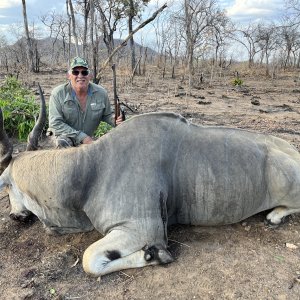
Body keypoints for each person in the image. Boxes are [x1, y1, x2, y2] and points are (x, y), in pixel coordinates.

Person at [48, 57, 123, 148]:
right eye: (76, 72)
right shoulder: (58, 93)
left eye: (84, 72)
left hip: (88, 141)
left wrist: (115, 119)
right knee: (63, 141)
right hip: (64, 137)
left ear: (90, 75)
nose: (80, 75)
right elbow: (55, 123)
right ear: (69, 75)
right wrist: (82, 137)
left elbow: (107, 115)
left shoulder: (101, 93)